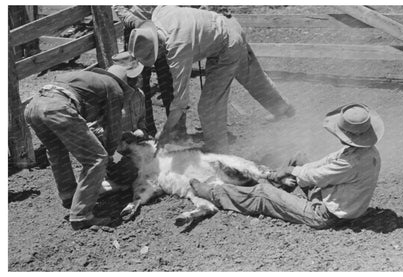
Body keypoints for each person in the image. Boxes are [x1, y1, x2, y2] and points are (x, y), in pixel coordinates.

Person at [128, 5, 295, 153]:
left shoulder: (178, 51)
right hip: (229, 24)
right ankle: (281, 107)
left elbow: (180, 102)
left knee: (208, 106)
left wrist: (165, 132)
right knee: (251, 76)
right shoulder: (160, 12)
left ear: (161, 47)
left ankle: (219, 153)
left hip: (226, 46)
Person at [190, 103, 384, 229]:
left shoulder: (353, 162)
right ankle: (279, 188)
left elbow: (318, 177)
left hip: (326, 214)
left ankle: (214, 194)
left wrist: (290, 171)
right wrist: (289, 170)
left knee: (265, 193)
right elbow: (326, 163)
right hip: (335, 198)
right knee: (299, 158)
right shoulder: (367, 152)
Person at [24, 54, 143, 230]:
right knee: (96, 159)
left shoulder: (92, 80)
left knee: (57, 152)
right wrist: (110, 157)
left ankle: (68, 195)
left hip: (34, 106)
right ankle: (81, 215)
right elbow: (114, 128)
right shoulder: (114, 89)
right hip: (58, 106)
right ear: (126, 83)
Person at [113, 5, 185, 138]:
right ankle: (147, 132)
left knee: (170, 82)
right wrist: (137, 23)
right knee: (140, 84)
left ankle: (177, 132)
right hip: (138, 33)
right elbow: (119, 6)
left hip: (163, 30)